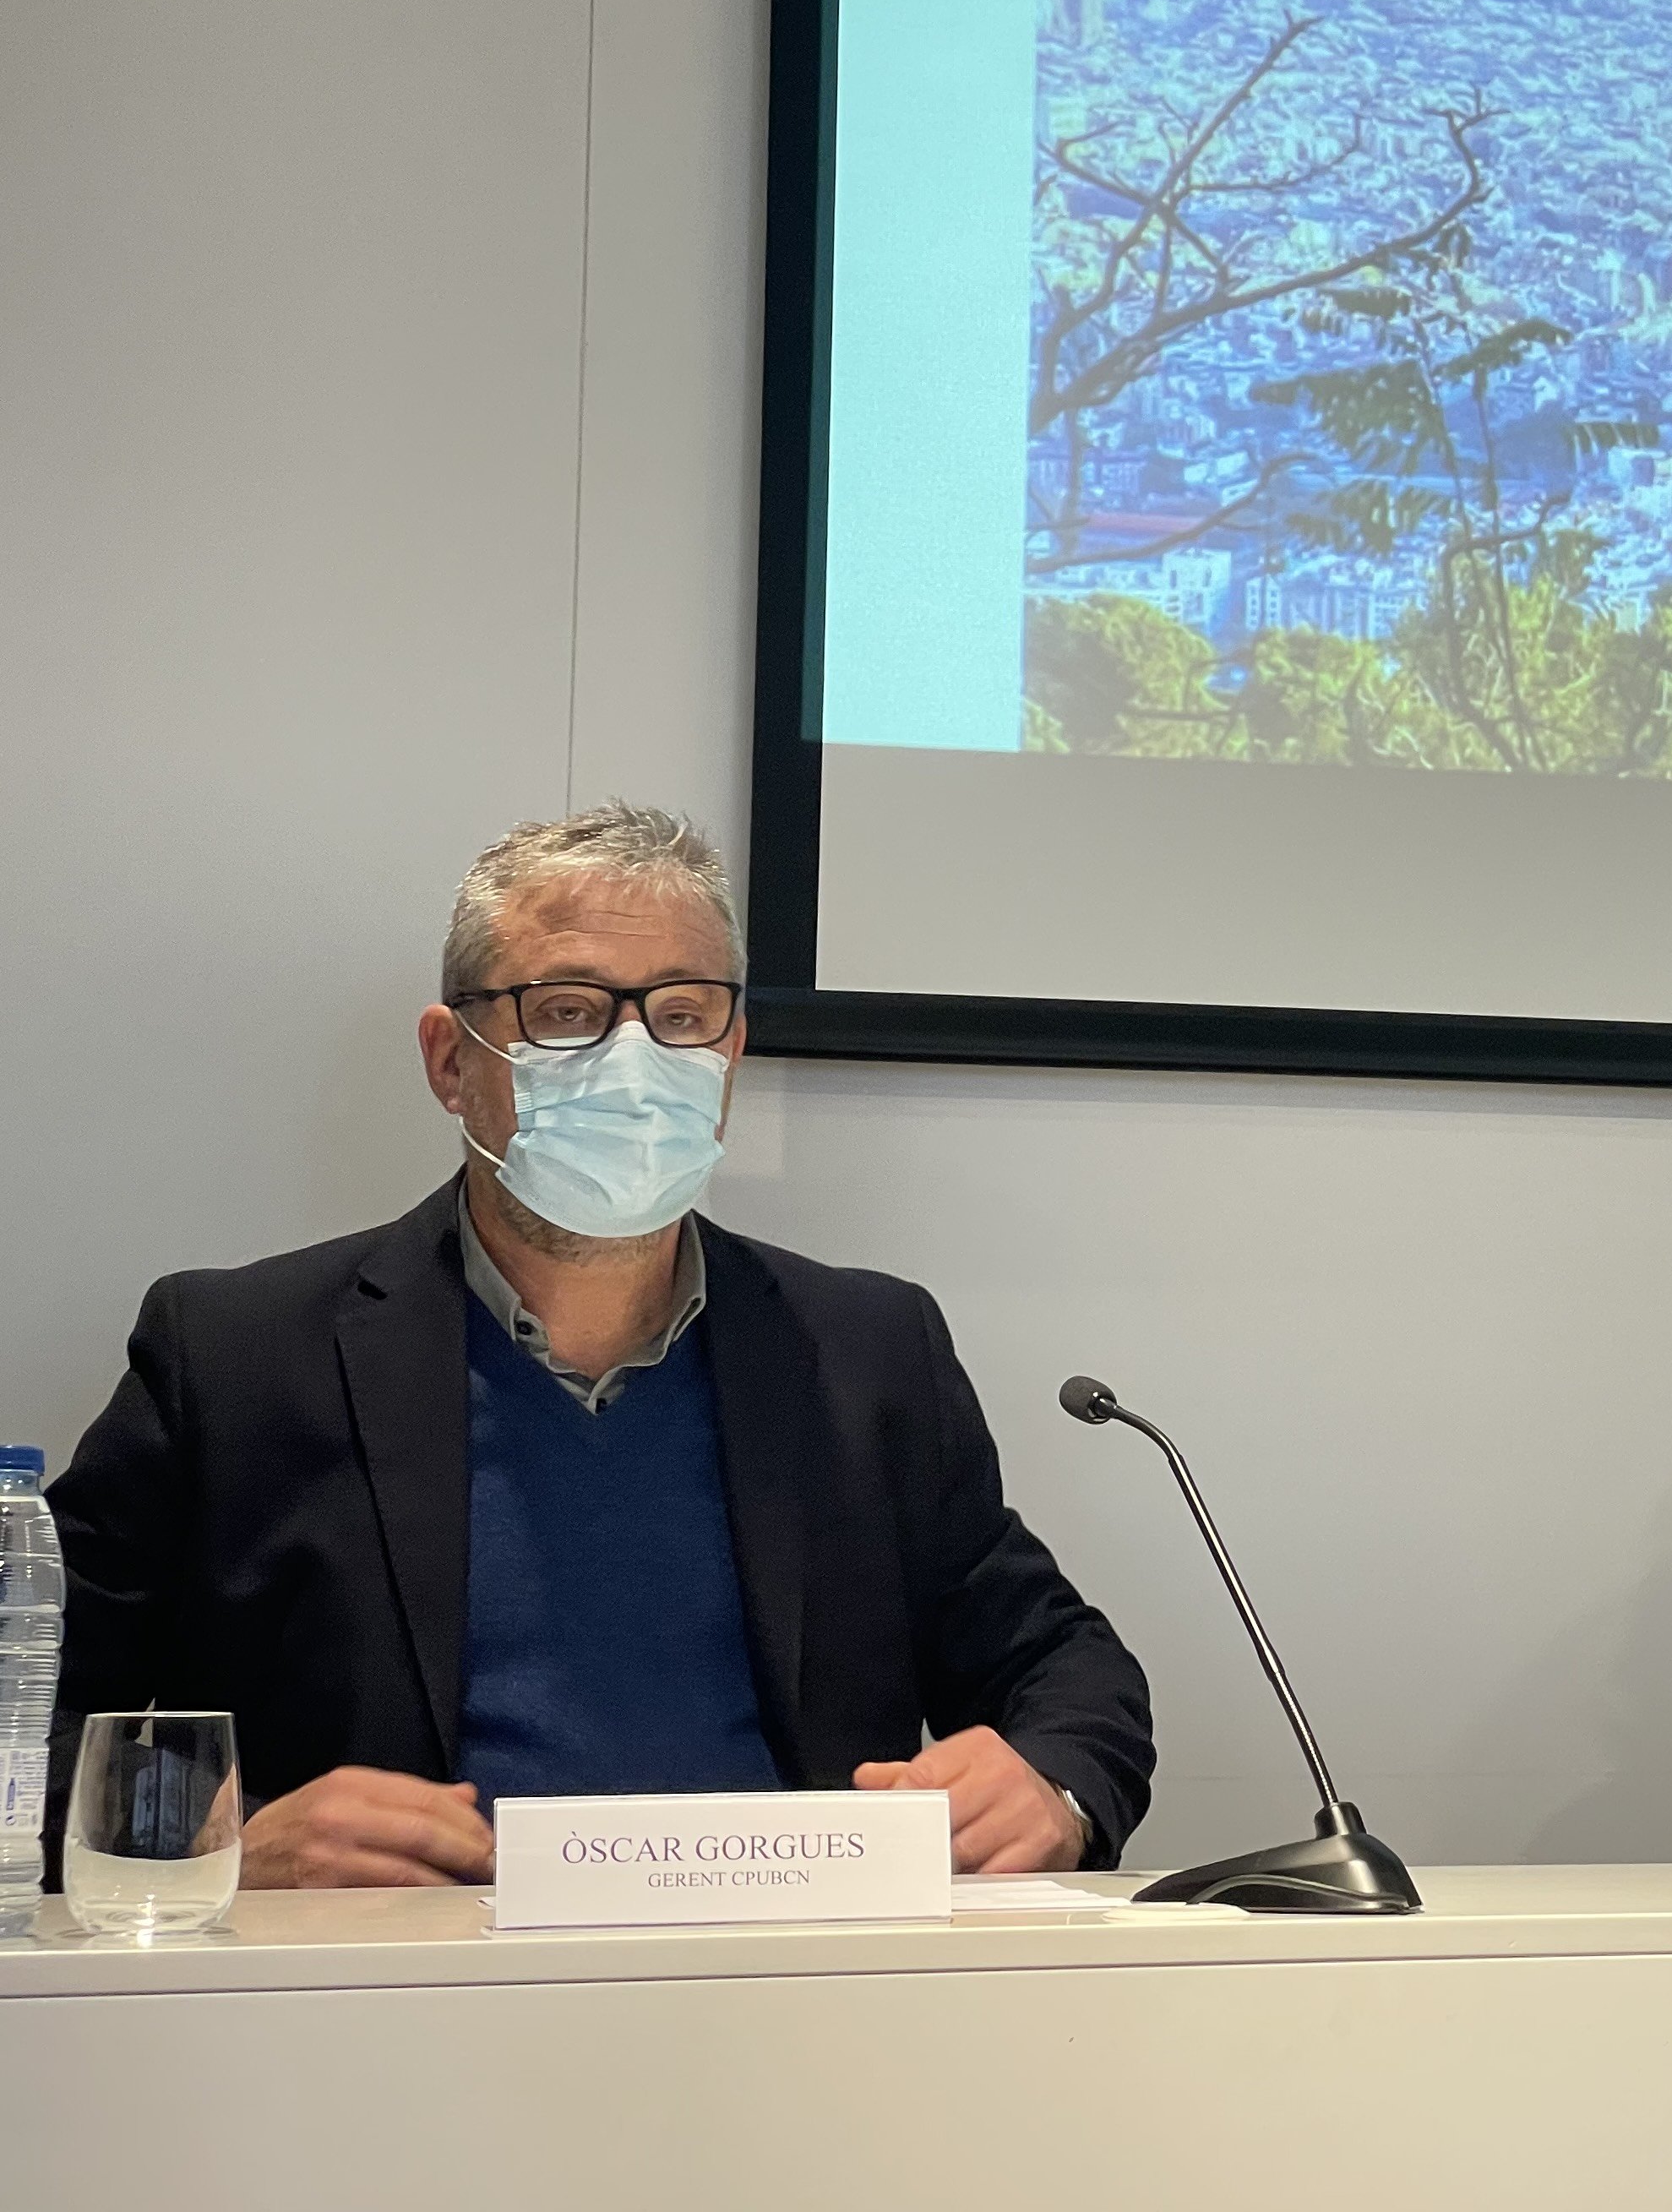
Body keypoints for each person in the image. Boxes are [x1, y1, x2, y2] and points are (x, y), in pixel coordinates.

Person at [50, 804, 1154, 1888]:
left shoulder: (864, 1353)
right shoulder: (236, 1360)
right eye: (569, 1011)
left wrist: (1050, 1788)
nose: (636, 1060)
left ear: (730, 1053)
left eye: (682, 1016)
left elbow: (1066, 1668)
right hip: (381, 2011)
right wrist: (206, 1843)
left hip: (794, 2001)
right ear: (450, 1059)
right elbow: (20, 1723)